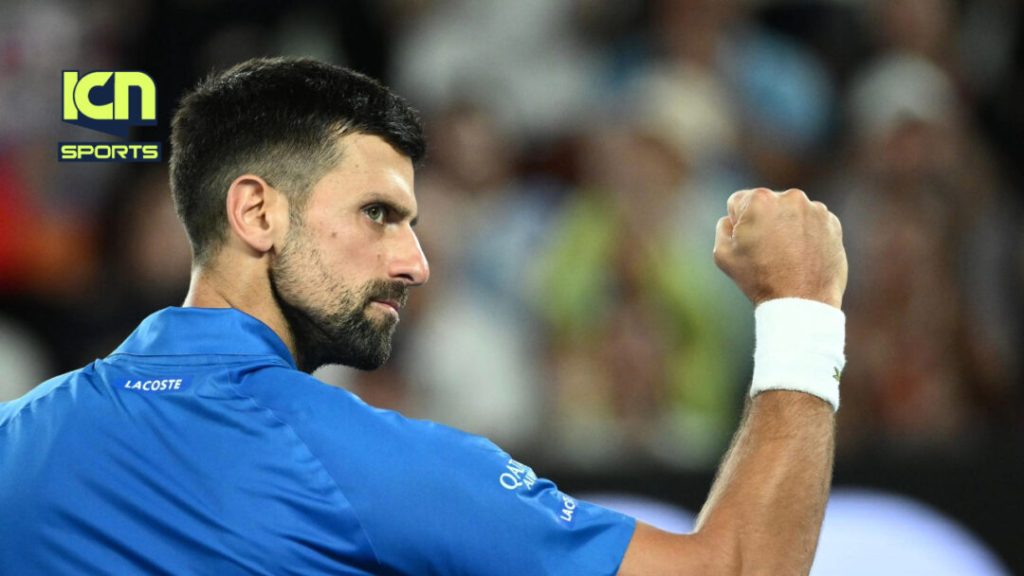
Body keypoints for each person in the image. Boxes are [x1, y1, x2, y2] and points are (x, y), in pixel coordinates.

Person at [0, 57, 848, 575]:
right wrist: (801, 307)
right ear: (256, 213)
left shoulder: (18, 438)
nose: (415, 262)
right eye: (378, 214)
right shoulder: (356, 461)